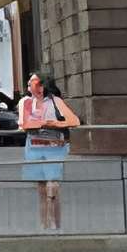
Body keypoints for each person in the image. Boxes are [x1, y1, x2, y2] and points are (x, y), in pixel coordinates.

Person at [16, 73, 78, 234]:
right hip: (34, 146)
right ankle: (44, 225)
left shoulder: (55, 101)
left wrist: (55, 123)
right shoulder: (25, 102)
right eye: (29, 82)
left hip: (54, 146)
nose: (30, 85)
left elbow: (74, 121)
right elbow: (23, 124)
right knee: (42, 188)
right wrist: (35, 123)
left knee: (53, 186)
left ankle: (55, 225)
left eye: (34, 82)